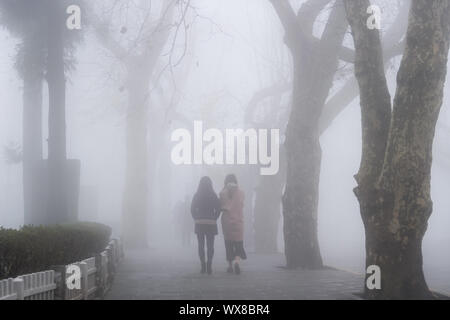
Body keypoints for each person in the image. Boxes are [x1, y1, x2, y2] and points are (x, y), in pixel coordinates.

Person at [191, 176, 221, 274]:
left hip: (200, 223)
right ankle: (209, 264)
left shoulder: (197, 195)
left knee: (201, 245)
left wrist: (196, 218)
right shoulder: (213, 195)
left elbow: (192, 209)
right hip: (211, 223)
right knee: (210, 245)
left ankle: (202, 265)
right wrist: (214, 217)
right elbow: (218, 208)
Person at [220, 174, 246, 275]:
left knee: (229, 244)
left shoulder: (223, 193)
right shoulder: (241, 193)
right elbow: (242, 205)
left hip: (227, 223)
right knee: (238, 244)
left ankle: (230, 265)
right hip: (238, 222)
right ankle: (237, 261)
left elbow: (221, 206)